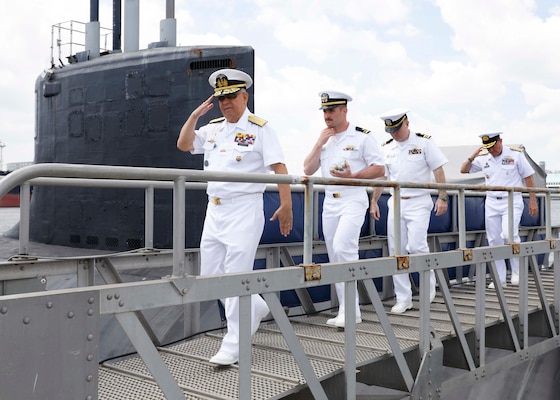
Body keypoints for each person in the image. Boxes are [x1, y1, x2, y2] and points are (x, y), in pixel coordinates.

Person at [177, 68, 293, 365]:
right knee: (212, 276)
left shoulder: (260, 129)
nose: (226, 103)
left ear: (245, 96)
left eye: (231, 97)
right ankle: (254, 305)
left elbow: (280, 168)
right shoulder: (213, 128)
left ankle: (234, 344)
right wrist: (193, 118)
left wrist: (286, 205)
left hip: (244, 208)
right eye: (221, 98)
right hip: (214, 209)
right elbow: (184, 145)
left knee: (235, 278)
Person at [303, 91, 385, 327]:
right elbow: (308, 169)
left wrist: (354, 178)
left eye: (331, 110)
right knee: (335, 255)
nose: (327, 115)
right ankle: (347, 309)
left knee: (343, 248)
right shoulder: (325, 140)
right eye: (325, 111)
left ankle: (351, 310)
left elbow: (379, 169)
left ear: (344, 110)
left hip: (352, 198)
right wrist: (319, 143)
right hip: (330, 202)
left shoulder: (362, 137)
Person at [370, 108, 448, 314]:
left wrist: (442, 196)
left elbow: (438, 169)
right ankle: (403, 298)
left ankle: (427, 286)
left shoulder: (424, 143)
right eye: (390, 130)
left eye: (396, 129)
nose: (394, 134)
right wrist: (374, 201)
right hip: (395, 203)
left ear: (406, 124)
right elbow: (382, 178)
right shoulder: (386, 148)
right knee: (397, 251)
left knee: (416, 245)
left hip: (419, 201)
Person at [460, 132, 538, 288]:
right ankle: (500, 278)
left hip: (512, 200)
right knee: (494, 240)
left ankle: (516, 271)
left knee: (509, 235)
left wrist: (533, 200)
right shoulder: (483, 158)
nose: (491, 150)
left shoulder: (515, 155)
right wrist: (473, 155)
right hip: (491, 202)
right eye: (487, 147)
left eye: (493, 146)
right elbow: (464, 170)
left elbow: (528, 177)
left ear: (500, 141)